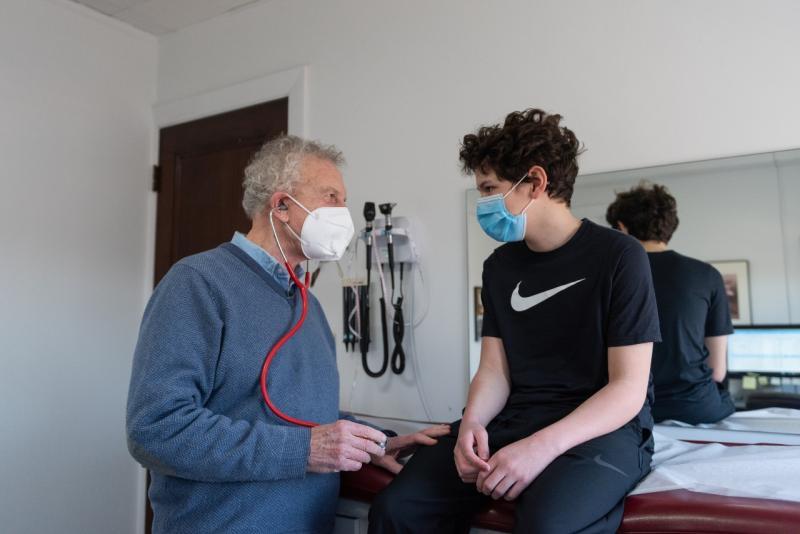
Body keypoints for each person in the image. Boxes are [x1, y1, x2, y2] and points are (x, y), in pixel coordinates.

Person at [126, 135, 448, 534]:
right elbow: (157, 430)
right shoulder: (198, 283)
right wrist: (306, 450)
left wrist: (375, 442)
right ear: (280, 205)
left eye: (344, 200)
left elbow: (299, 413)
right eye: (331, 196)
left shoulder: (307, 306)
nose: (342, 213)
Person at [369, 109, 660, 534]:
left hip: (601, 428)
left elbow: (628, 390)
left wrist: (540, 448)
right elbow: (493, 371)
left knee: (548, 525)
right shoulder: (500, 267)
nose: (483, 203)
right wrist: (471, 423)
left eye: (489, 188)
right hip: (518, 415)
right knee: (398, 509)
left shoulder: (620, 256)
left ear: (536, 183)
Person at [606, 182, 735, 424]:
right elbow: (718, 371)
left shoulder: (609, 275)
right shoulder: (706, 274)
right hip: (696, 408)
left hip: (631, 411)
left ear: (622, 228)